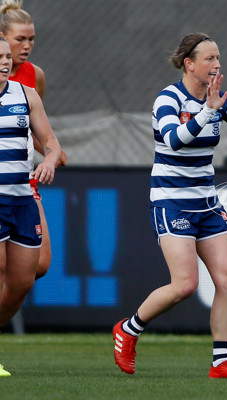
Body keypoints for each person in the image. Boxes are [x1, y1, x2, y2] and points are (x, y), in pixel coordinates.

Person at [112, 32, 227, 378]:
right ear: (189, 64)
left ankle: (220, 362)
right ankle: (128, 329)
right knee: (184, 285)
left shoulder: (220, 100)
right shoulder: (168, 99)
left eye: (218, 58)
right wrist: (205, 112)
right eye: (210, 59)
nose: (217, 64)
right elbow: (174, 140)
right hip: (172, 202)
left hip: (207, 203)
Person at [0, 35, 62, 376]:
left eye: (7, 57)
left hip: (23, 198)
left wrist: (50, 160)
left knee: (23, 280)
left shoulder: (26, 95)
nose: (5, 62)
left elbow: (51, 143)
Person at [0, 0, 67, 283]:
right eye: (20, 39)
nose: (26, 46)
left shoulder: (34, 75)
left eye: (31, 39)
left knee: (39, 265)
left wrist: (51, 153)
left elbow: (31, 129)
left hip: (23, 178)